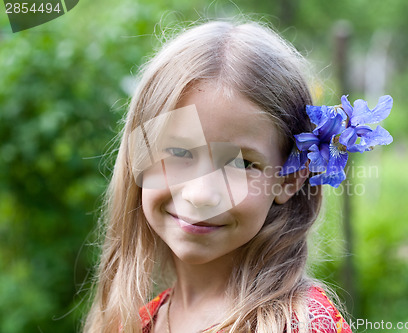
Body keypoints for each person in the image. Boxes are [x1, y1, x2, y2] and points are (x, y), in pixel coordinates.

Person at [83, 19, 365, 333]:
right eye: (178, 152)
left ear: (289, 178)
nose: (200, 194)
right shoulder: (133, 324)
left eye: (242, 163)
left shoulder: (303, 325)